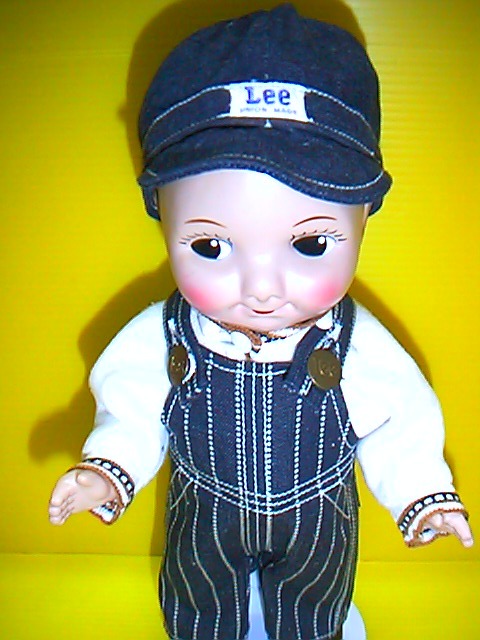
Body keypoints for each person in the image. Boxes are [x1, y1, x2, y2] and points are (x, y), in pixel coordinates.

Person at [48, 5, 473, 640]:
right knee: (198, 599)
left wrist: (422, 492)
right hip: (204, 510)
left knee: (314, 603)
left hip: (318, 516)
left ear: (363, 221)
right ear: (163, 221)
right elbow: (132, 408)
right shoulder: (165, 336)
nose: (263, 289)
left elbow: (399, 419)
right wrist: (104, 467)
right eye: (210, 247)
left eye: (310, 245)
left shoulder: (355, 348)